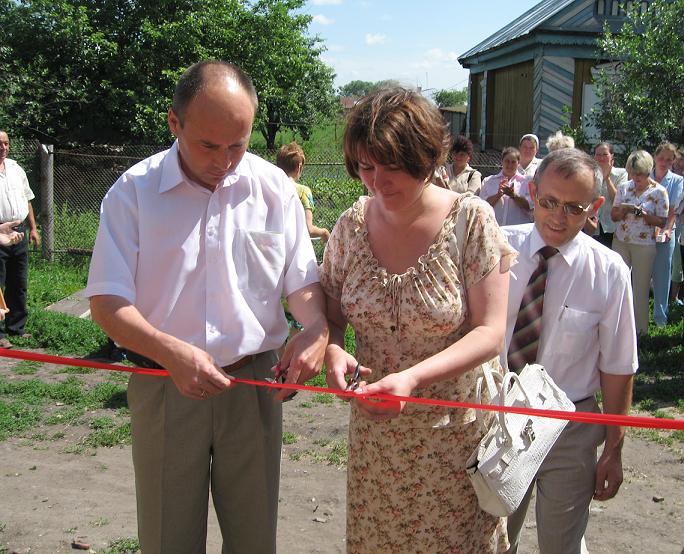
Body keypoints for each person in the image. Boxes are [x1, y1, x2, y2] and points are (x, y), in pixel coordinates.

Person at [85, 61, 329, 554]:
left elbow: (301, 283)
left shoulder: (274, 189)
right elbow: (107, 304)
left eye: (238, 145)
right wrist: (172, 352)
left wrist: (317, 328)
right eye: (208, 145)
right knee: (166, 537)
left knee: (254, 537)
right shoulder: (133, 194)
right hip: (164, 385)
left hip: (255, 383)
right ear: (175, 123)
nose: (225, 161)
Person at [320, 87, 515, 552]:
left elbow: (490, 332)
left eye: (392, 166)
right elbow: (329, 310)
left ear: (428, 157)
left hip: (455, 437)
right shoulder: (351, 225)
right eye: (366, 166)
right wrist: (331, 345)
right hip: (378, 439)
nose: (377, 181)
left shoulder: (472, 220)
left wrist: (411, 377)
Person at [502, 148, 638, 554]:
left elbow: (618, 366)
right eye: (548, 202)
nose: (558, 217)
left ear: (595, 208)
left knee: (562, 545)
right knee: (489, 540)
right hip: (497, 420)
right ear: (531, 191)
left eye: (574, 208)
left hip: (570, 427)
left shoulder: (610, 272)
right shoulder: (496, 251)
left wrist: (614, 449)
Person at [611, 150, 668, 335]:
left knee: (640, 288)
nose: (636, 177)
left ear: (648, 171)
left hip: (644, 246)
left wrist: (643, 215)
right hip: (621, 241)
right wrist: (623, 212)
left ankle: (640, 331)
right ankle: (615, 328)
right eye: (633, 173)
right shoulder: (624, 188)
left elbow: (662, 221)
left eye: (640, 174)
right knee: (617, 285)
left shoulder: (659, 192)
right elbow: (614, 216)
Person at [0, 130, 41, 350]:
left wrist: (33, 228)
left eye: (6, 143)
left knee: (18, 282)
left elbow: (27, 199)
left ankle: (16, 327)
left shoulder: (16, 169)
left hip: (19, 231)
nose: (3, 148)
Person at [649, 142, 684, 326]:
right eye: (661, 158)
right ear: (655, 157)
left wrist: (667, 230)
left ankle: (660, 320)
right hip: (643, 233)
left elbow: (673, 210)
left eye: (669, 160)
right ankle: (636, 320)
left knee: (663, 276)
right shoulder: (645, 176)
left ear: (673, 162)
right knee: (639, 276)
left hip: (666, 233)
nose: (664, 162)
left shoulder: (678, 181)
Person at [276, 142, 330, 242]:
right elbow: (309, 229)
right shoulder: (303, 191)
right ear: (299, 166)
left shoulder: (272, 187)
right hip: (294, 247)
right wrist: (324, 233)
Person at [480, 146, 534, 226]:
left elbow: (529, 207)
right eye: (507, 161)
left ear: (518, 163)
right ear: (502, 161)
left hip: (517, 231)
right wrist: (498, 195)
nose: (510, 165)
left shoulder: (527, 182)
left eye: (513, 162)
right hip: (494, 229)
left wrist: (513, 195)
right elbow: (481, 206)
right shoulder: (488, 181)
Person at [591, 142, 628, 246]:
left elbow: (618, 200)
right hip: (593, 226)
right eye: (598, 155)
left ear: (612, 156)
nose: (601, 158)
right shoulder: (589, 174)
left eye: (605, 154)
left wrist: (607, 178)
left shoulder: (621, 174)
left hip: (611, 227)